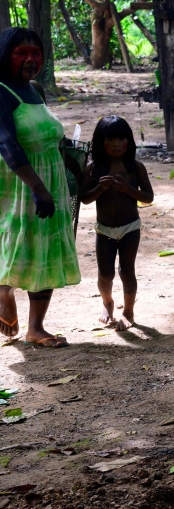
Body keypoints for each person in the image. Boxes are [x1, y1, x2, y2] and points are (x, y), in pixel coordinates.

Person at [0, 27, 81, 347]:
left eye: (36, 53)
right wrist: (37, 188)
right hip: (19, 184)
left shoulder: (35, 89)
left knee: (45, 250)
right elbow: (7, 145)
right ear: (6, 55)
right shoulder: (2, 91)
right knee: (14, 242)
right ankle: (3, 290)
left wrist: (76, 168)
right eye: (22, 53)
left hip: (51, 179)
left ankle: (36, 328)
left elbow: (52, 137)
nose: (30, 59)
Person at [79, 116, 154, 330]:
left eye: (121, 139)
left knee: (127, 270)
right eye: (110, 139)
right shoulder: (93, 169)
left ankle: (128, 310)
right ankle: (107, 302)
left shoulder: (135, 168)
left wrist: (128, 190)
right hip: (104, 229)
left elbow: (148, 197)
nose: (116, 144)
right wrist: (100, 188)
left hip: (131, 227)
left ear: (128, 141)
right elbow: (85, 198)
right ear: (100, 143)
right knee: (106, 273)